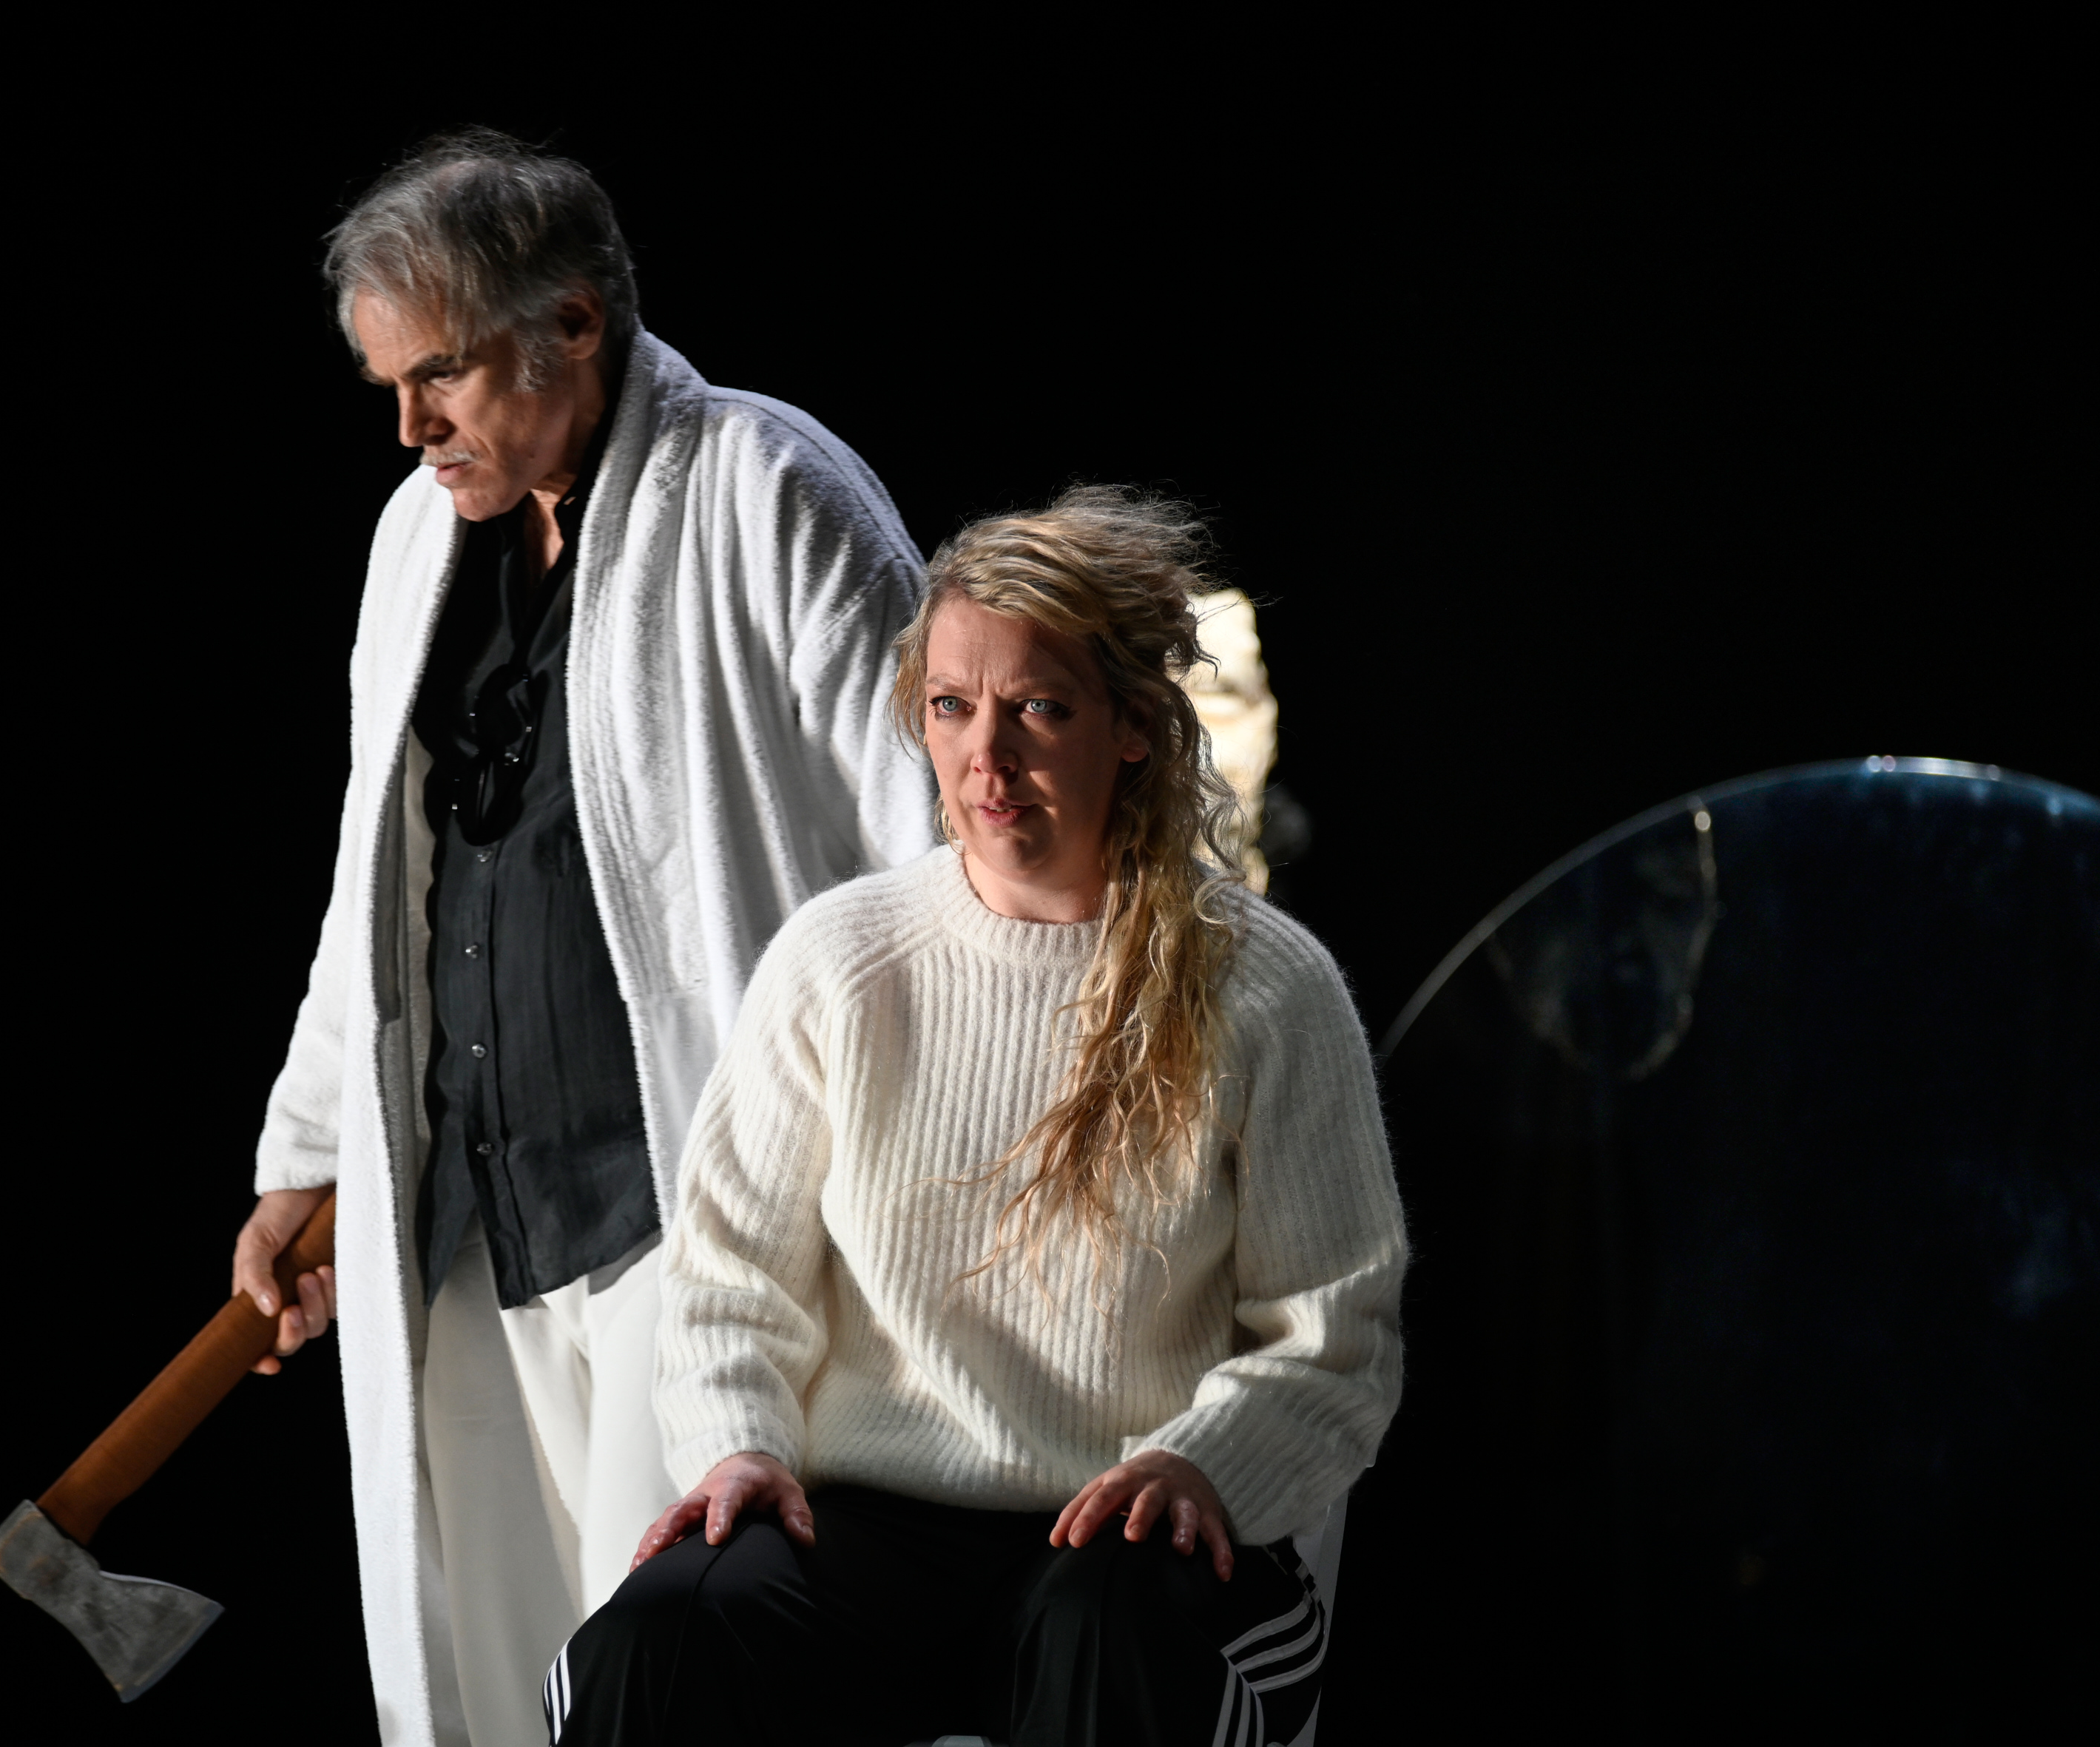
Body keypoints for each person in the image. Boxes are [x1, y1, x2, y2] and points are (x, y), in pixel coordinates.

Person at [229, 129, 935, 1744]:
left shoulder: (766, 489)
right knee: (491, 1684)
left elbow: (935, 839)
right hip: (472, 1220)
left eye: (444, 376)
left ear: (572, 322)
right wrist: (313, 1147)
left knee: (661, 1679)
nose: (410, 428)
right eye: (389, 385)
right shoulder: (415, 543)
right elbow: (375, 881)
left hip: (686, 1211)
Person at [550, 489, 1408, 1746]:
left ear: (1133, 724)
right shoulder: (842, 960)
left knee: (1107, 1631)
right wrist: (740, 1444)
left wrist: (1204, 1463)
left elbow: (1334, 1334)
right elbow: (731, 1279)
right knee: (662, 1633)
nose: (985, 759)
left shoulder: (1266, 987)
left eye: (1039, 708)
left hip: (1130, 1531)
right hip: (869, 1525)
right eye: (952, 705)